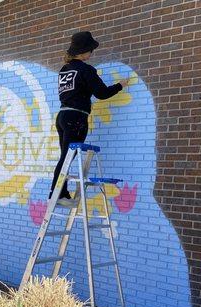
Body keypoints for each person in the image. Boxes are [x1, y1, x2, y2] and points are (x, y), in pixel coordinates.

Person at [49, 31, 130, 206]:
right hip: (76, 118)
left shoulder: (65, 70)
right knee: (67, 157)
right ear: (85, 51)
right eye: (91, 50)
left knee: (65, 156)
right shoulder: (85, 69)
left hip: (63, 116)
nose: (92, 54)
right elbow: (101, 93)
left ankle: (58, 194)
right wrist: (120, 85)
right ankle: (58, 195)